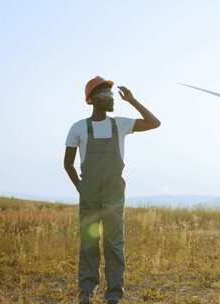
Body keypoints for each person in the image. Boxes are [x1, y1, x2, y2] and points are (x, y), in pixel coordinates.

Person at [63, 76, 160, 304]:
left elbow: (155, 123)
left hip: (114, 196)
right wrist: (82, 189)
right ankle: (86, 293)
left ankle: (114, 296)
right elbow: (67, 164)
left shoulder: (120, 124)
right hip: (90, 195)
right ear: (93, 100)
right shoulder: (78, 128)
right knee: (88, 245)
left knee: (114, 245)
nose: (112, 99)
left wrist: (133, 101)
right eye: (107, 95)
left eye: (112, 95)